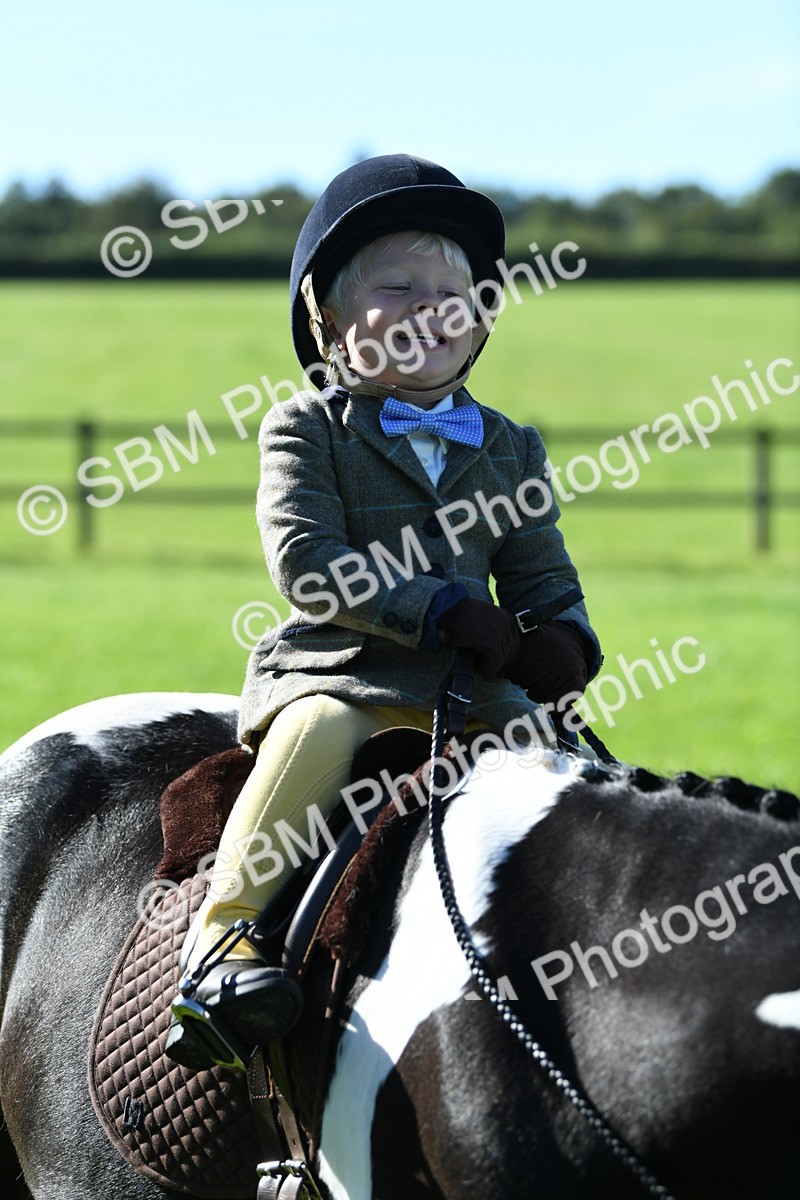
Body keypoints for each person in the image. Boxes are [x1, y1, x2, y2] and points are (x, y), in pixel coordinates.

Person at [167, 154, 602, 1071]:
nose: (430, 307)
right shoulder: (304, 429)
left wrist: (564, 635)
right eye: (397, 287)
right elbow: (308, 565)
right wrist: (439, 605)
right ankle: (223, 939)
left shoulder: (511, 447)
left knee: (579, 777)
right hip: (342, 670)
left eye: (454, 290)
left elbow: (540, 571)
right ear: (329, 317)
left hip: (478, 690)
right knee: (316, 736)